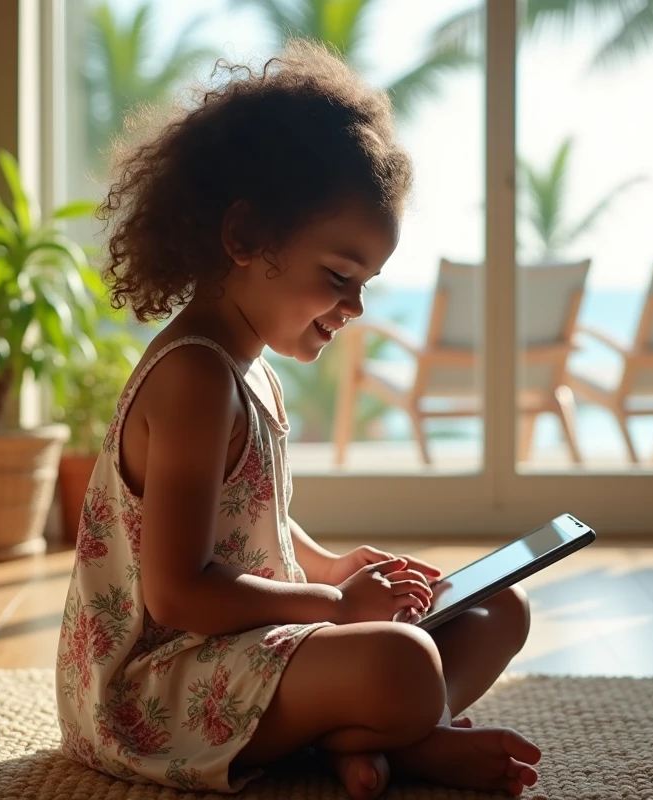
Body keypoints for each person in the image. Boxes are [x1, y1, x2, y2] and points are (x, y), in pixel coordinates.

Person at [55, 40, 541, 799]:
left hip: (245, 648)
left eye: (367, 282)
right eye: (340, 275)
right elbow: (178, 593)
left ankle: (379, 734)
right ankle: (409, 737)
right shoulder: (193, 377)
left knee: (500, 607)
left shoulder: (251, 369)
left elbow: (249, 526)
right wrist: (337, 607)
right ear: (244, 238)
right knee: (403, 663)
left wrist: (330, 567)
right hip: (154, 689)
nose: (356, 306)